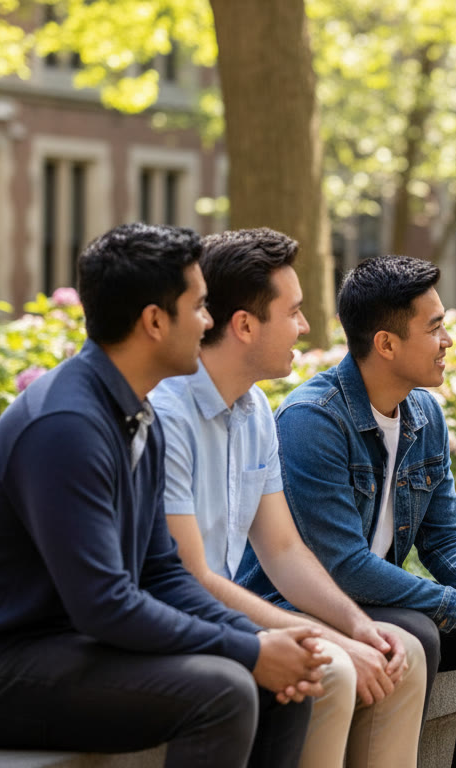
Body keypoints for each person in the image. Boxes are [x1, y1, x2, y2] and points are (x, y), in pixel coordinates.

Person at [0, 223, 326, 768]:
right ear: (155, 321)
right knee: (226, 689)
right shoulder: (66, 425)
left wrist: (269, 638)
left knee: (278, 678)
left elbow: (163, 574)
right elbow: (104, 605)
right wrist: (249, 648)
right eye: (199, 307)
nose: (209, 322)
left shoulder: (138, 412)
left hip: (66, 645)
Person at [238, 255, 456, 768]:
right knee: (419, 634)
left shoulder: (424, 414)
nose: (448, 340)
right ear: (386, 343)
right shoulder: (311, 421)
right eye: (436, 327)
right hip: (303, 606)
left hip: (377, 602)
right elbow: (343, 566)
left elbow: (444, 538)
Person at [149, 228, 427, 768]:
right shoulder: (167, 416)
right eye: (294, 312)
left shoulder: (254, 411)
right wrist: (323, 638)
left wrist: (356, 624)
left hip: (225, 611)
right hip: (182, 617)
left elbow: (283, 549)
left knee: (403, 653)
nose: (305, 327)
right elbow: (191, 579)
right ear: (245, 325)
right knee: (331, 668)